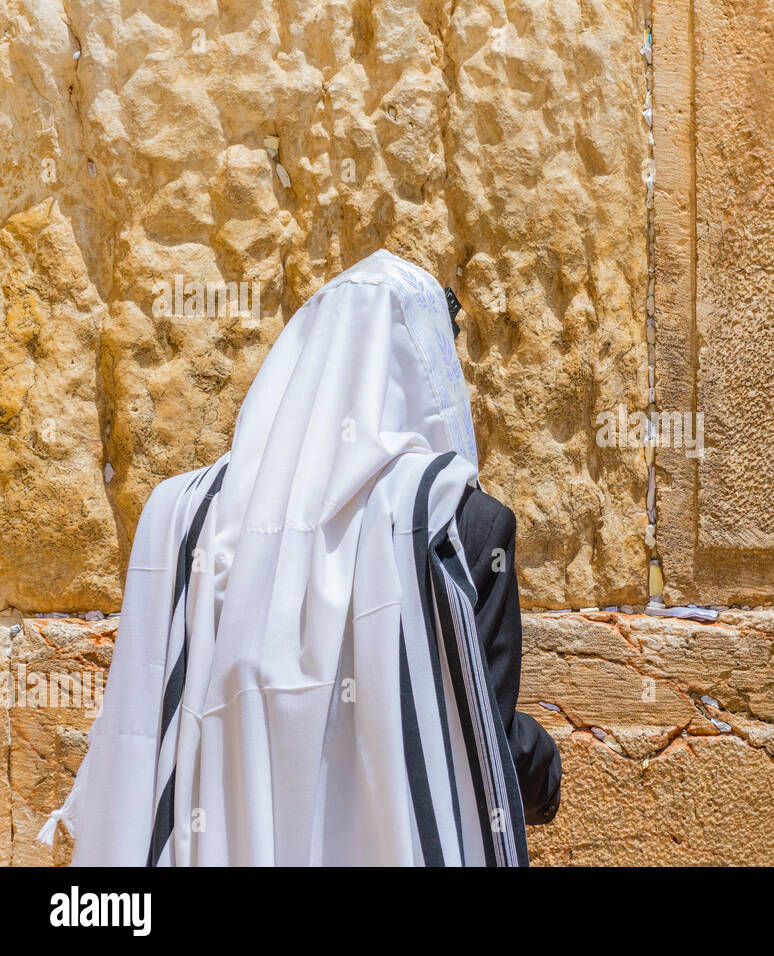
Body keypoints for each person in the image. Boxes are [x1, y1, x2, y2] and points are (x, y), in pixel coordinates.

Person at [42, 250, 559, 865]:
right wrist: (542, 760)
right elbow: (481, 759)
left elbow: (146, 734)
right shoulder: (458, 523)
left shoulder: (185, 518)